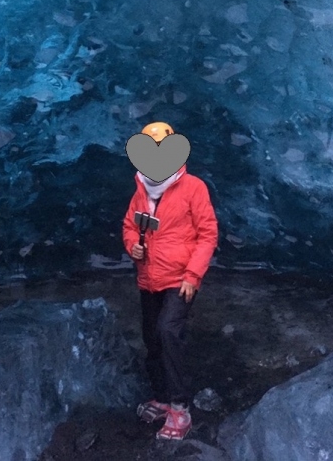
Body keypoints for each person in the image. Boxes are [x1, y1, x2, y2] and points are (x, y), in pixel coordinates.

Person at [122, 121, 219, 441]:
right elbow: (128, 225)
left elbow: (208, 235)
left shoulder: (193, 187)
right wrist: (132, 246)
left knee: (168, 332)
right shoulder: (141, 189)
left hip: (180, 279)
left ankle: (181, 407)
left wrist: (193, 276)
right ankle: (162, 397)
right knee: (152, 337)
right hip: (149, 277)